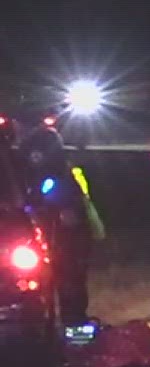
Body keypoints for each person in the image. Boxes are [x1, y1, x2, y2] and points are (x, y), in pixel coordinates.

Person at [19, 124, 103, 335]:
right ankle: (59, 326)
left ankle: (73, 330)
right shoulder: (34, 171)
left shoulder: (60, 178)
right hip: (45, 234)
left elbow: (71, 211)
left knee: (69, 279)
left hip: (63, 237)